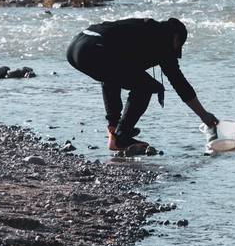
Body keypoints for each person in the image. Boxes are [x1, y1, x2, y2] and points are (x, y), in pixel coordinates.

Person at [66, 17, 219, 152]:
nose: (175, 53)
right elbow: (179, 83)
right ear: (176, 38)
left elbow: (110, 78)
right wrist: (203, 115)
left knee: (113, 74)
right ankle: (122, 137)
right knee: (147, 86)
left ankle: (115, 131)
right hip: (94, 48)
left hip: (76, 47)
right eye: (178, 46)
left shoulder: (147, 29)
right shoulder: (163, 40)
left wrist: (113, 121)